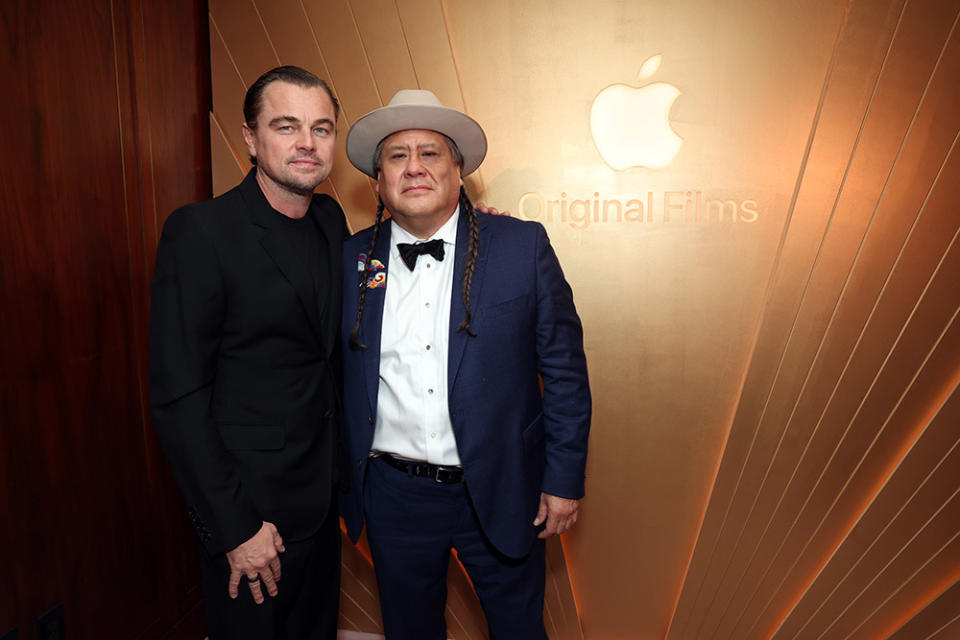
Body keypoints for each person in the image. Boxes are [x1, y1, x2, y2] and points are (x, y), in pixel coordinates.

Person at [339, 90, 592, 639]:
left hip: (502, 486)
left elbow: (566, 371)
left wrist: (564, 478)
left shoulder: (521, 246)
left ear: (459, 172)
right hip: (394, 493)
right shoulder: (348, 259)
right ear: (377, 182)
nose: (414, 168)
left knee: (519, 630)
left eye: (429, 153)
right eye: (396, 157)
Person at [149, 66, 346, 639]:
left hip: (321, 499)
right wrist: (234, 527)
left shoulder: (331, 222)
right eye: (287, 126)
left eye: (322, 128)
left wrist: (474, 231)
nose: (307, 143)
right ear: (250, 138)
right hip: (251, 514)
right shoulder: (200, 232)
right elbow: (178, 397)